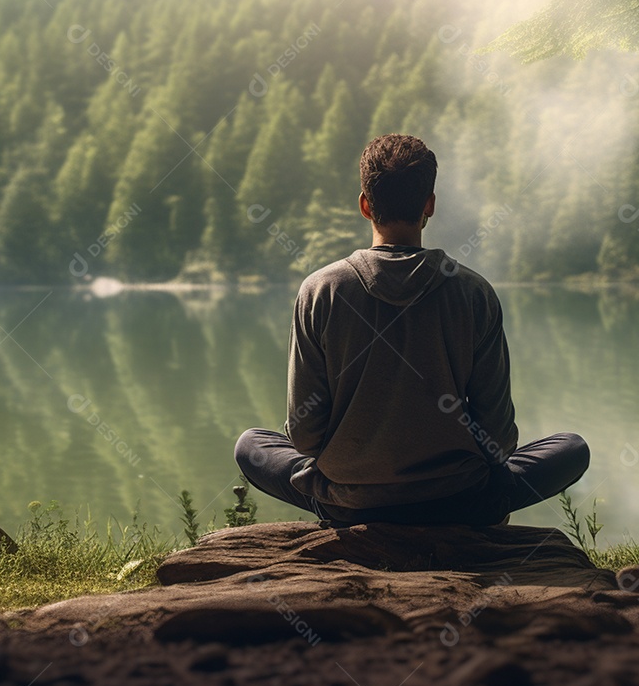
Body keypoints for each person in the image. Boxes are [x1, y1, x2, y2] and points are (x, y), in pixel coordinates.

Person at [235, 134, 589, 525]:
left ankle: (352, 503)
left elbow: (303, 437)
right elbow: (499, 438)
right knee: (571, 448)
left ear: (365, 205)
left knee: (250, 445)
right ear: (430, 205)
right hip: (458, 501)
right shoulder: (473, 292)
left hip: (350, 503)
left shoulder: (321, 290)